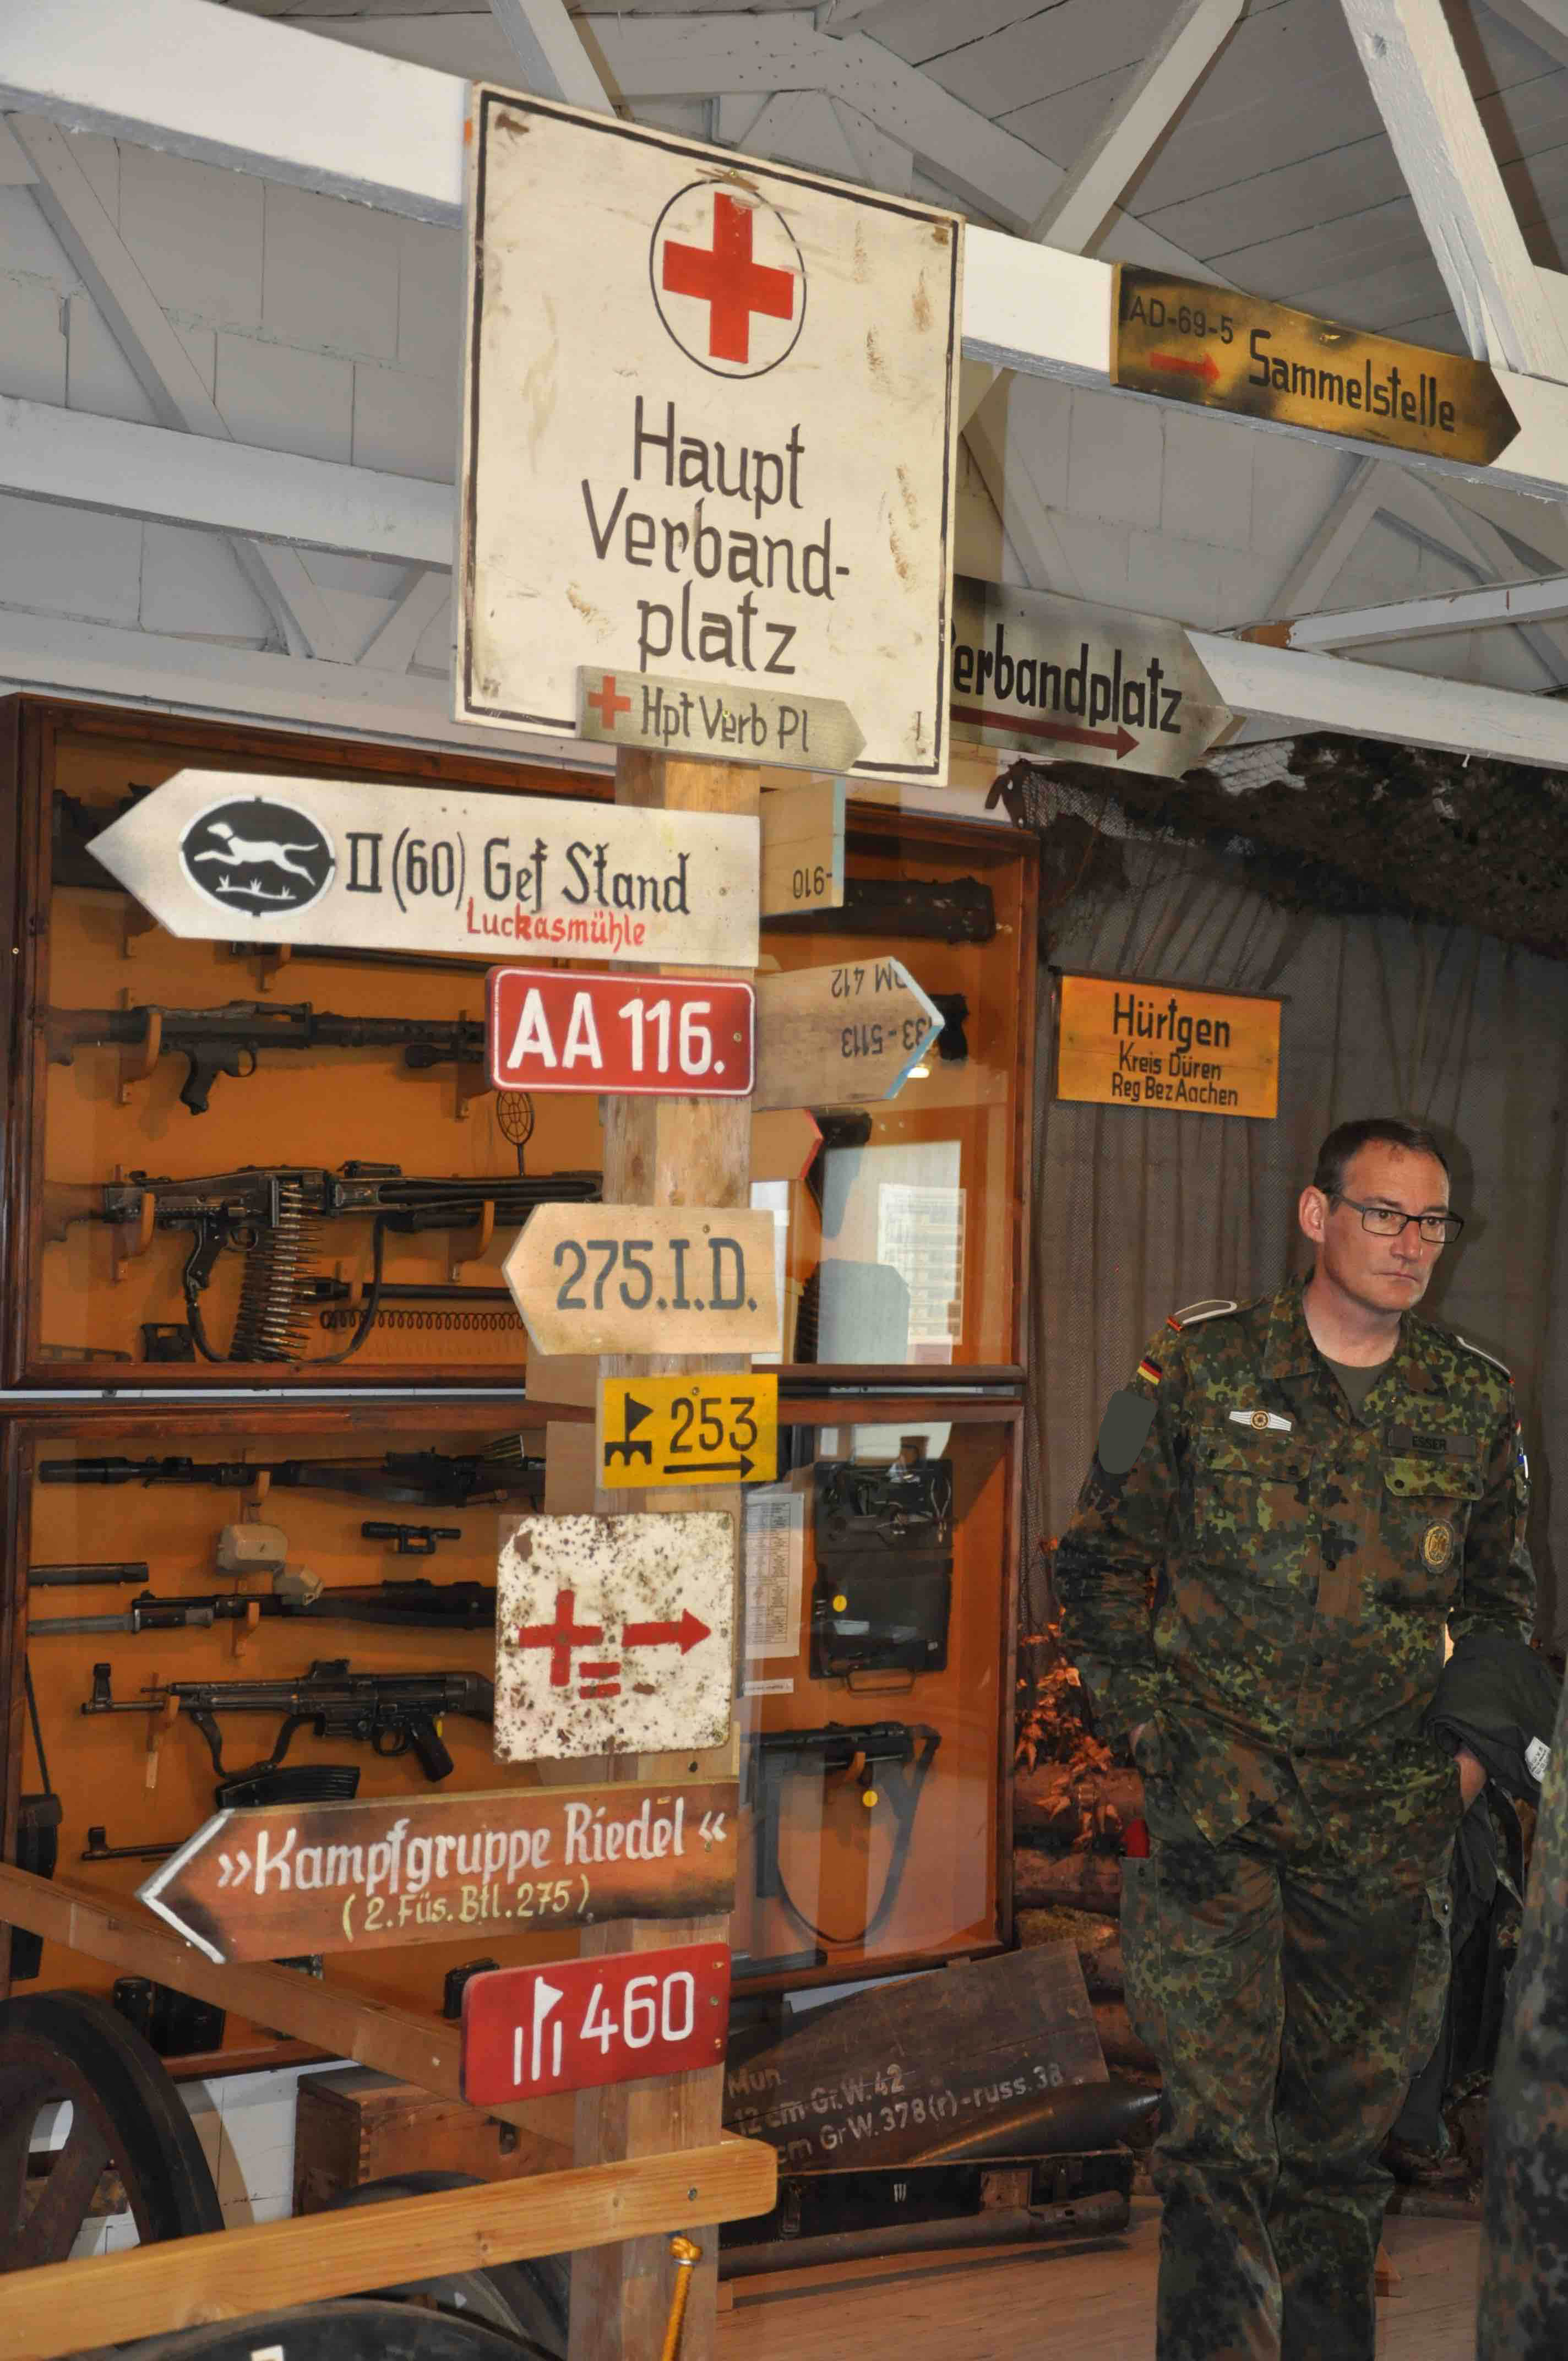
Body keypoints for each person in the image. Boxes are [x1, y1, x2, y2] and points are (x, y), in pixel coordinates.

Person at [1056, 1117, 1534, 2361]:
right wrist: (1147, 1726)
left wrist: (1462, 1767)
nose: (1410, 1243)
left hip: (1384, 1829)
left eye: (1431, 1222)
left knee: (1338, 2150)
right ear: (1316, 1216)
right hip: (1214, 1819)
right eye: (1383, 1214)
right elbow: (1094, 1563)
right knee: (1215, 2143)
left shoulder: (1475, 1400)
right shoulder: (1191, 1368)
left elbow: (1500, 1607)